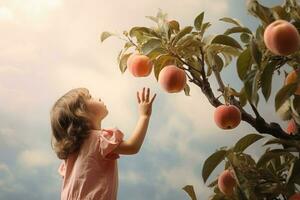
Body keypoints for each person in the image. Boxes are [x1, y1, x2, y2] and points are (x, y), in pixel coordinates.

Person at [50, 87, 157, 200]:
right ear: (80, 112)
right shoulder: (98, 139)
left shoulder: (71, 153)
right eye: (90, 97)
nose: (98, 98)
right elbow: (132, 146)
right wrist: (144, 116)